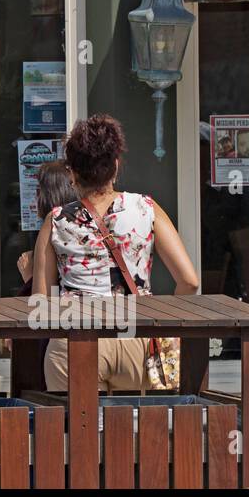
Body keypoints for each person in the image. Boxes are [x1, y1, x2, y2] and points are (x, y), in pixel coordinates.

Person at [31, 114, 200, 392]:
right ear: (116, 166)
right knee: (138, 431)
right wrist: (164, 326)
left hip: (75, 341)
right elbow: (190, 281)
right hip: (136, 338)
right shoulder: (146, 208)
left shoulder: (57, 220)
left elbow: (41, 301)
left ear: (72, 172)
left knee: (77, 432)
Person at [15, 159, 79, 292]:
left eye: (39, 191)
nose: (36, 197)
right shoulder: (85, 228)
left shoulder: (53, 227)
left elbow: (47, 298)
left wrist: (30, 278)